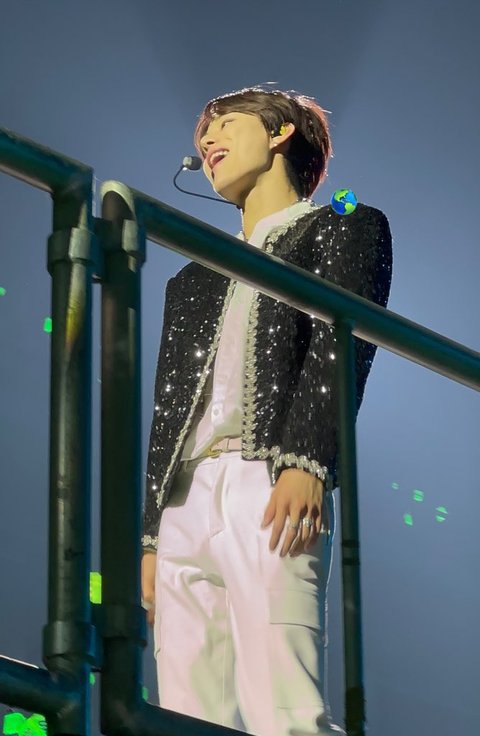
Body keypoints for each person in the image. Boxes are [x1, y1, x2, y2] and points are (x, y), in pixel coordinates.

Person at [141, 84, 392, 736]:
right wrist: (152, 533)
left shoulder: (344, 224)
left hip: (269, 476)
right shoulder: (191, 277)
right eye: (203, 133)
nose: (207, 140)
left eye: (225, 122)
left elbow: (343, 341)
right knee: (185, 713)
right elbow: (167, 410)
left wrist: (309, 458)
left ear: (280, 132)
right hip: (185, 497)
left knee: (285, 708)